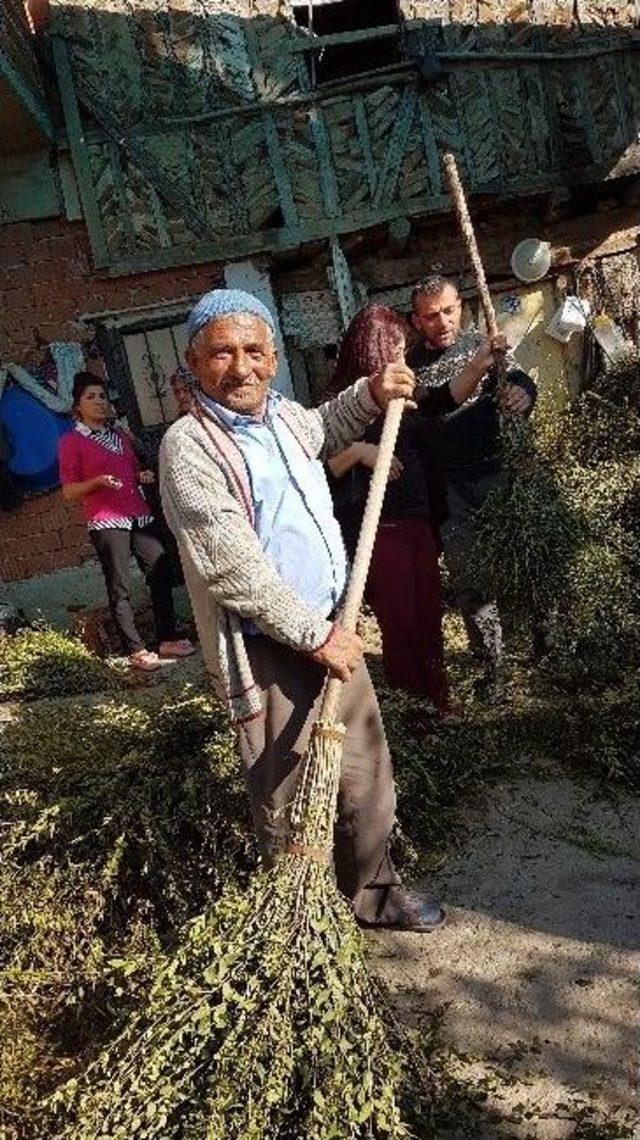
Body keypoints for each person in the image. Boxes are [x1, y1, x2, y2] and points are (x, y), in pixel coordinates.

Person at [159, 288, 443, 932]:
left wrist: (371, 394)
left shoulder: (285, 418)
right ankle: (303, 920)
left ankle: (375, 893)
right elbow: (231, 567)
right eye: (222, 354)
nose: (241, 368)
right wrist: (313, 636)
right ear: (193, 362)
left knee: (367, 774)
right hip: (271, 647)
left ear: (275, 356)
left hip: (330, 628)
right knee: (287, 789)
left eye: (255, 352)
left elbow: (327, 427)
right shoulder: (189, 447)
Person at [408, 276, 537, 690]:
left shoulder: (484, 346)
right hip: (451, 490)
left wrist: (521, 395)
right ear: (416, 320)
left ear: (460, 308)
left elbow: (519, 379)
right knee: (471, 577)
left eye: (447, 310)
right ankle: (490, 664)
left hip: (501, 472)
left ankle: (545, 646)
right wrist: (479, 364)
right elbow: (436, 408)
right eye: (430, 315)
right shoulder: (412, 369)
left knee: (526, 561)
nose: (441, 321)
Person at [58, 372, 195, 671]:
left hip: (139, 514)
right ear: (78, 406)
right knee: (119, 586)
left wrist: (142, 476)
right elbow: (69, 491)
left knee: (160, 569)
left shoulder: (120, 436)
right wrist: (96, 482)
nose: (98, 402)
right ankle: (135, 649)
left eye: (102, 396)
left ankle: (167, 638)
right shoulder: (71, 441)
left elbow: (133, 471)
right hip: (107, 522)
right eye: (90, 397)